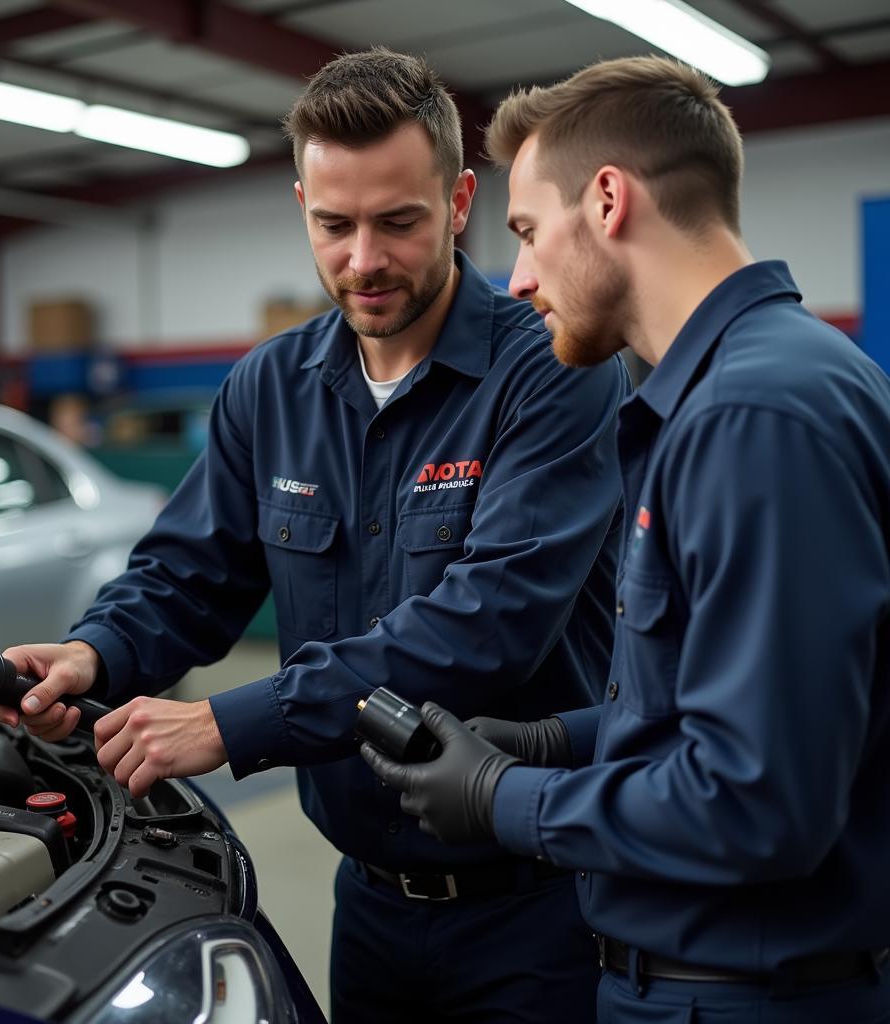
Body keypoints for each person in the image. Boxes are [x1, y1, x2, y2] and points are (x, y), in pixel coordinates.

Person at [0, 48, 629, 1023]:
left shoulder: (551, 373)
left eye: (397, 221)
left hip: (539, 915)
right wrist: (96, 651)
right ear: (301, 204)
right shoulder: (268, 388)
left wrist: (228, 724)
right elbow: (188, 572)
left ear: (459, 201)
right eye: (334, 225)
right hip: (368, 906)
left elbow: (485, 623)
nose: (363, 260)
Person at [362, 55, 890, 1023]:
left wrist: (504, 798)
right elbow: (724, 704)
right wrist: (553, 740)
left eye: (525, 231)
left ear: (606, 200)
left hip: (739, 997)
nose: (515, 279)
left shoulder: (751, 415)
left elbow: (757, 801)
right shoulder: (734, 393)